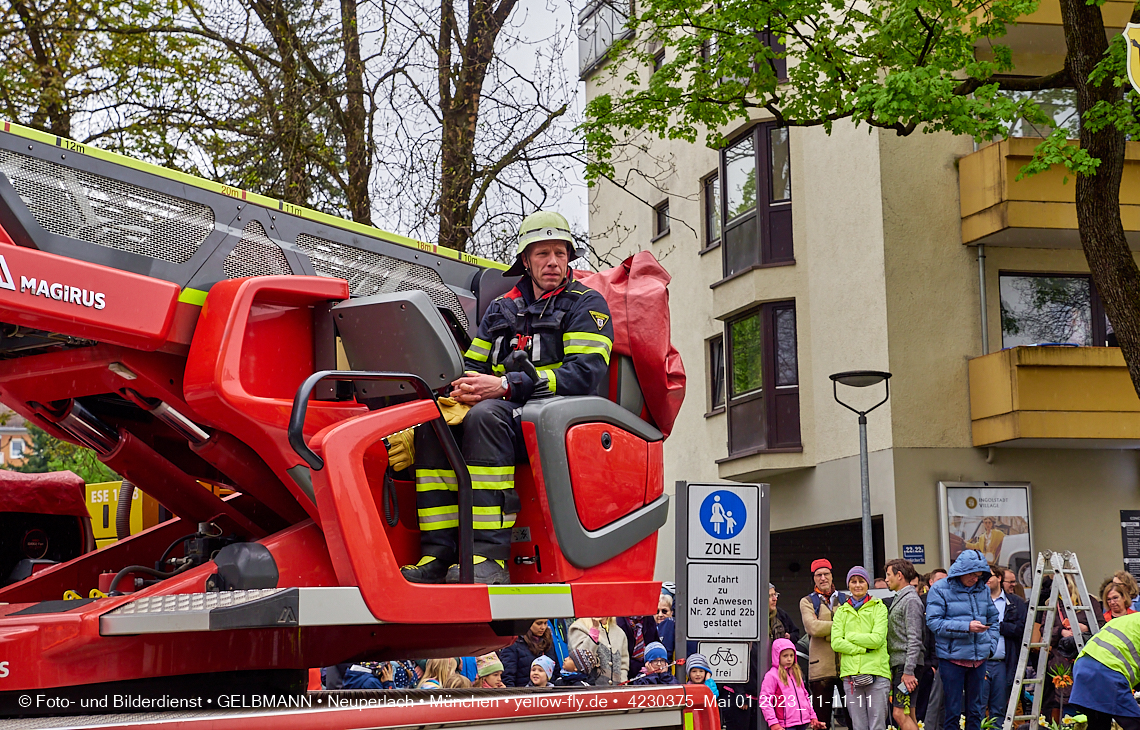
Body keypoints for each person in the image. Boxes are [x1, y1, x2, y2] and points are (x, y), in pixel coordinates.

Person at [400, 210, 614, 585]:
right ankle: (438, 554)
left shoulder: (586, 304)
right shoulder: (501, 308)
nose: (553, 262)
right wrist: (457, 392)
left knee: (486, 417)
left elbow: (585, 374)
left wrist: (505, 387)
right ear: (525, 260)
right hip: (501, 414)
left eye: (560, 253)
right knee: (433, 426)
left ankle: (488, 557)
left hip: (553, 422)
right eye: (542, 253)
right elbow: (471, 366)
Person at [926, 549, 999, 730]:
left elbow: (994, 620)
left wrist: (990, 647)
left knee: (976, 711)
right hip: (952, 660)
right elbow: (934, 623)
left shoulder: (983, 589)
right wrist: (967, 627)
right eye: (972, 575)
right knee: (952, 710)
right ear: (961, 571)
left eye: (980, 575)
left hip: (979, 660)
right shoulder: (939, 589)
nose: (976, 579)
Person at [831, 566, 890, 730]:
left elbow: (877, 639)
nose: (857, 585)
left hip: (877, 673)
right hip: (851, 676)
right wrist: (863, 649)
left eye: (861, 581)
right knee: (858, 726)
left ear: (867, 584)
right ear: (848, 585)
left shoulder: (879, 607)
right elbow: (836, 643)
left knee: (877, 725)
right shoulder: (841, 611)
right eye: (853, 581)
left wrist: (850, 637)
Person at [1065, 612, 1140, 730]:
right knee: (1135, 723)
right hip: (1106, 672)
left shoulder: (1129, 620)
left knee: (1099, 725)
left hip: (1084, 667)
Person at [800, 558, 849, 728]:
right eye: (818, 575)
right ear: (813, 578)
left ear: (831, 575)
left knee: (853, 720)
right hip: (820, 670)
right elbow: (813, 628)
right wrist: (839, 628)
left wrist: (826, 631)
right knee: (821, 722)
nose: (823, 578)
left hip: (847, 667)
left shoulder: (846, 599)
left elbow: (853, 627)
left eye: (826, 574)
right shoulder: (807, 601)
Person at [886, 559, 925, 730]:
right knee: (909, 713)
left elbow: (914, 638)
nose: (886, 579)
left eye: (888, 575)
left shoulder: (910, 600)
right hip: (903, 664)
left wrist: (908, 671)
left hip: (907, 666)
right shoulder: (903, 598)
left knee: (899, 713)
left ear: (899, 575)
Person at [761, 638, 826, 730]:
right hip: (785, 725)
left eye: (792, 655)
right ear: (777, 656)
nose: (789, 659)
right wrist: (773, 723)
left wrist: (813, 717)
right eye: (785, 656)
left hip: (803, 722)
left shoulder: (796, 673)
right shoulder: (772, 675)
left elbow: (805, 697)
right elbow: (765, 700)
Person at [980, 565, 1012, 719]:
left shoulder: (1012, 602)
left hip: (1001, 662)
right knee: (977, 707)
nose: (985, 580)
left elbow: (1020, 628)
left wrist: (995, 626)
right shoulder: (977, 601)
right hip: (980, 662)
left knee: (999, 708)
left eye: (989, 576)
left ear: (999, 578)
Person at [998, 568, 1029, 712]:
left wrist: (998, 627)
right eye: (1010, 582)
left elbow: (1022, 629)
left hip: (1011, 659)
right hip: (988, 662)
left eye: (1014, 581)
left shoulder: (1017, 603)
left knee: (1013, 704)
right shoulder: (983, 601)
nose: (1013, 585)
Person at [568, 617, 629, 685]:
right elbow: (579, 661)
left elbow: (623, 665)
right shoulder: (579, 627)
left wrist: (623, 686)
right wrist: (594, 632)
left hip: (616, 691)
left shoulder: (619, 632)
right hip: (591, 690)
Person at [500, 619, 559, 687]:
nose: (543, 627)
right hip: (522, 693)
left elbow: (555, 670)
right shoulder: (514, 643)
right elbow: (508, 675)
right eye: (539, 623)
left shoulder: (549, 641)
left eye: (545, 623)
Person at [656, 594, 676, 661]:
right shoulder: (648, 627)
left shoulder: (670, 623)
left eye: (664, 611)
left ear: (671, 612)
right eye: (657, 611)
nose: (660, 615)